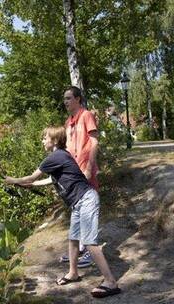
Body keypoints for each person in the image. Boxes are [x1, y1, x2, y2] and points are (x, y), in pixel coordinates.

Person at [5, 126, 120, 298]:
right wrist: (31, 185)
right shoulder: (62, 156)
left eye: (45, 138)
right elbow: (50, 180)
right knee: (73, 239)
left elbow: (31, 177)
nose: (42, 141)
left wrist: (12, 180)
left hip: (86, 200)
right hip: (77, 203)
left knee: (89, 242)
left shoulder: (55, 156)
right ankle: (73, 273)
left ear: (55, 141)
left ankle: (110, 282)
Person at [61, 86, 99, 268]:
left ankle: (90, 252)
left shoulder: (86, 115)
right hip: (74, 172)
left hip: (86, 170)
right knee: (77, 208)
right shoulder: (68, 122)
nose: (65, 102)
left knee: (88, 209)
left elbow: (94, 142)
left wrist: (90, 167)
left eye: (69, 98)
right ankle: (79, 250)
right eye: (64, 99)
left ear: (78, 99)